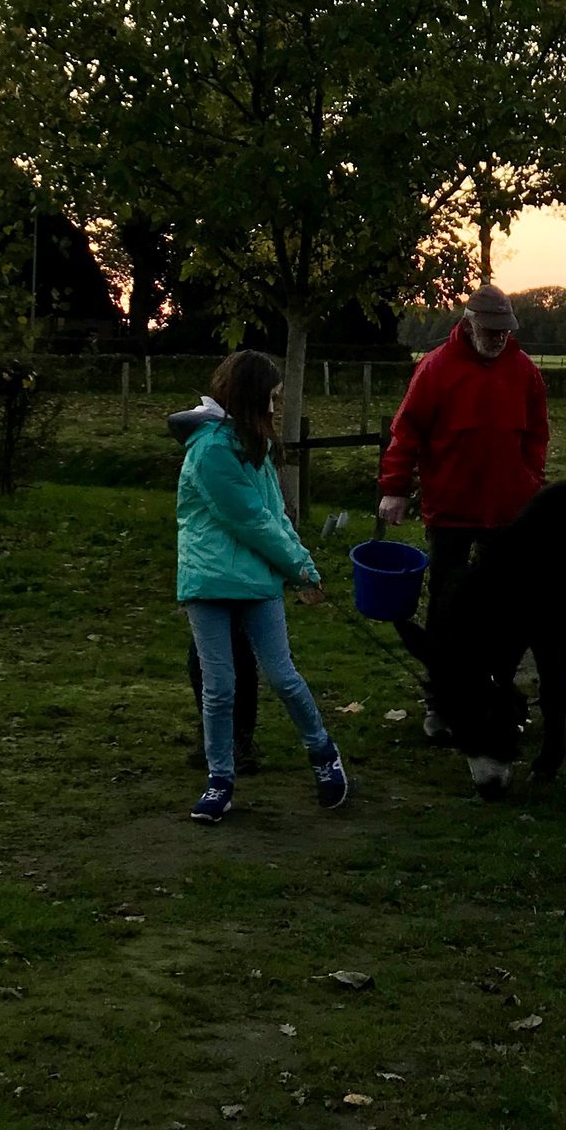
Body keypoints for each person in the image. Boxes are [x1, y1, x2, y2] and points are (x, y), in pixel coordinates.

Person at [176, 348, 349, 824]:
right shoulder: (212, 451)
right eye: (271, 397)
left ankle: (323, 753)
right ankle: (220, 780)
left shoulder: (257, 445)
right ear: (250, 396)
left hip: (256, 581)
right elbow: (252, 522)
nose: (276, 407)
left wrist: (305, 569)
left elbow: (275, 518)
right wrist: (299, 569)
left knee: (283, 677)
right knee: (220, 687)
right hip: (209, 582)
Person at [375, 285, 549, 734]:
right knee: (446, 607)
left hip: (507, 511)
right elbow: (406, 432)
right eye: (490, 331)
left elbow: (536, 434)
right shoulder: (435, 369)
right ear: (469, 323)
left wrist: (529, 480)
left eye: (504, 332)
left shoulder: (525, 371)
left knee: (505, 607)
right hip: (450, 509)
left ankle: (496, 689)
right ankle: (440, 698)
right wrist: (394, 488)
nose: (498, 339)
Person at [170, 400, 261, 774]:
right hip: (211, 564)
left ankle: (236, 738)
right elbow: (178, 421)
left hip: (231, 564)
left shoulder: (243, 444)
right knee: (212, 655)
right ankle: (221, 736)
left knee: (234, 650)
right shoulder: (213, 444)